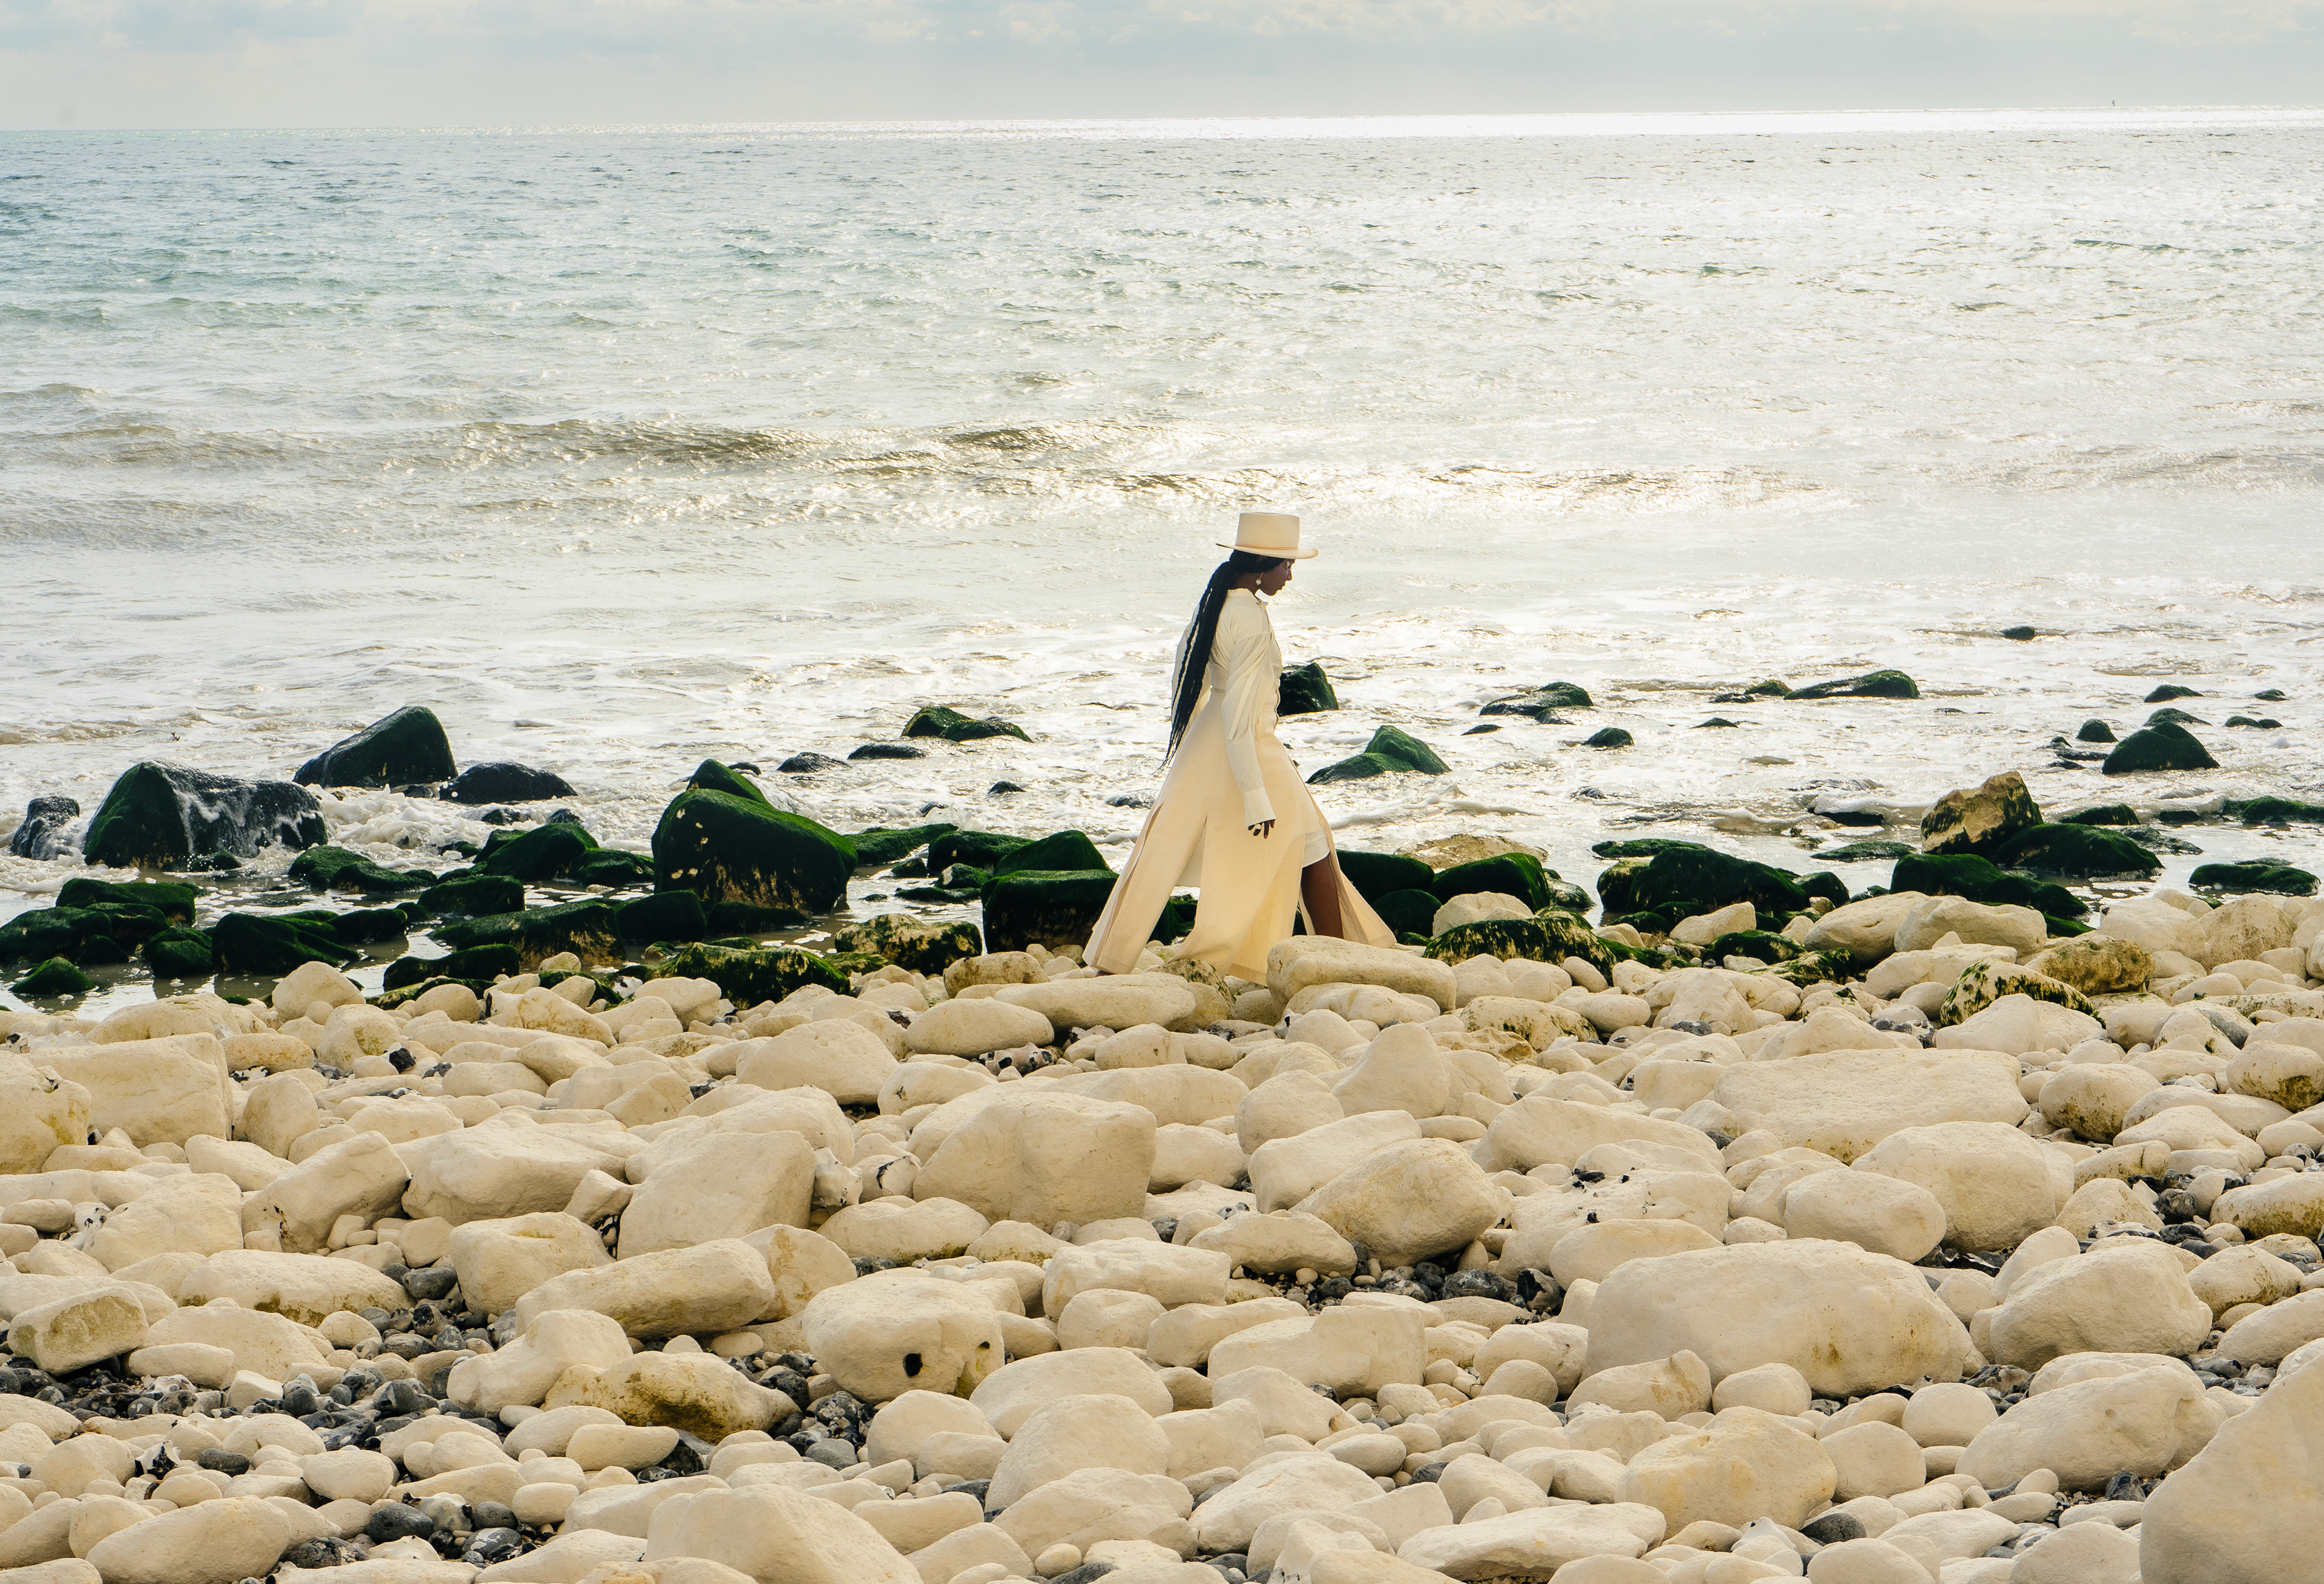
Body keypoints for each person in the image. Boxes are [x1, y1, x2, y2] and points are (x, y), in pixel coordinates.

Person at [1085, 512, 1394, 981]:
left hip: (1211, 740)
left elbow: (1186, 677)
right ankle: (1332, 961)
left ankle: (1110, 960)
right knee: (1310, 842)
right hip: (1249, 743)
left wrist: (1193, 744)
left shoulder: (1215, 602)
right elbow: (1239, 715)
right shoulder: (1247, 617)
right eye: (1286, 565)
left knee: (1164, 848)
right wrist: (1254, 794)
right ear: (1262, 563)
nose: (1290, 575)